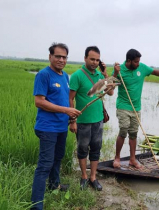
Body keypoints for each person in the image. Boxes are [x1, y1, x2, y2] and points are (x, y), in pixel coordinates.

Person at [31, 43, 81, 210]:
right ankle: (36, 205)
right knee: (45, 164)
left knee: (57, 158)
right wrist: (66, 110)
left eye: (64, 57)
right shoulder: (44, 75)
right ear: (50, 57)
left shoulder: (65, 76)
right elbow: (39, 101)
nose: (61, 59)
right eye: (58, 56)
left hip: (60, 127)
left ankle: (54, 185)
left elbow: (66, 99)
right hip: (47, 128)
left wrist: (71, 119)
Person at [112, 49, 159, 169]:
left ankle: (132, 159)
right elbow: (110, 86)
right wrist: (114, 74)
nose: (138, 64)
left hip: (136, 108)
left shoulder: (142, 68)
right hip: (123, 106)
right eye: (136, 62)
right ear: (129, 61)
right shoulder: (120, 70)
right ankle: (117, 157)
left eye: (139, 61)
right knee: (123, 131)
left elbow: (154, 71)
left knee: (133, 134)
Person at [69, 46, 115, 191]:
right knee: (82, 149)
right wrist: (73, 120)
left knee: (96, 149)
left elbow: (110, 93)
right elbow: (70, 99)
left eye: (97, 60)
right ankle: (84, 176)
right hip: (82, 121)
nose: (95, 62)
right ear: (85, 59)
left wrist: (107, 74)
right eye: (92, 59)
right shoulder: (77, 75)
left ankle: (93, 177)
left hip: (98, 120)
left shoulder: (101, 77)